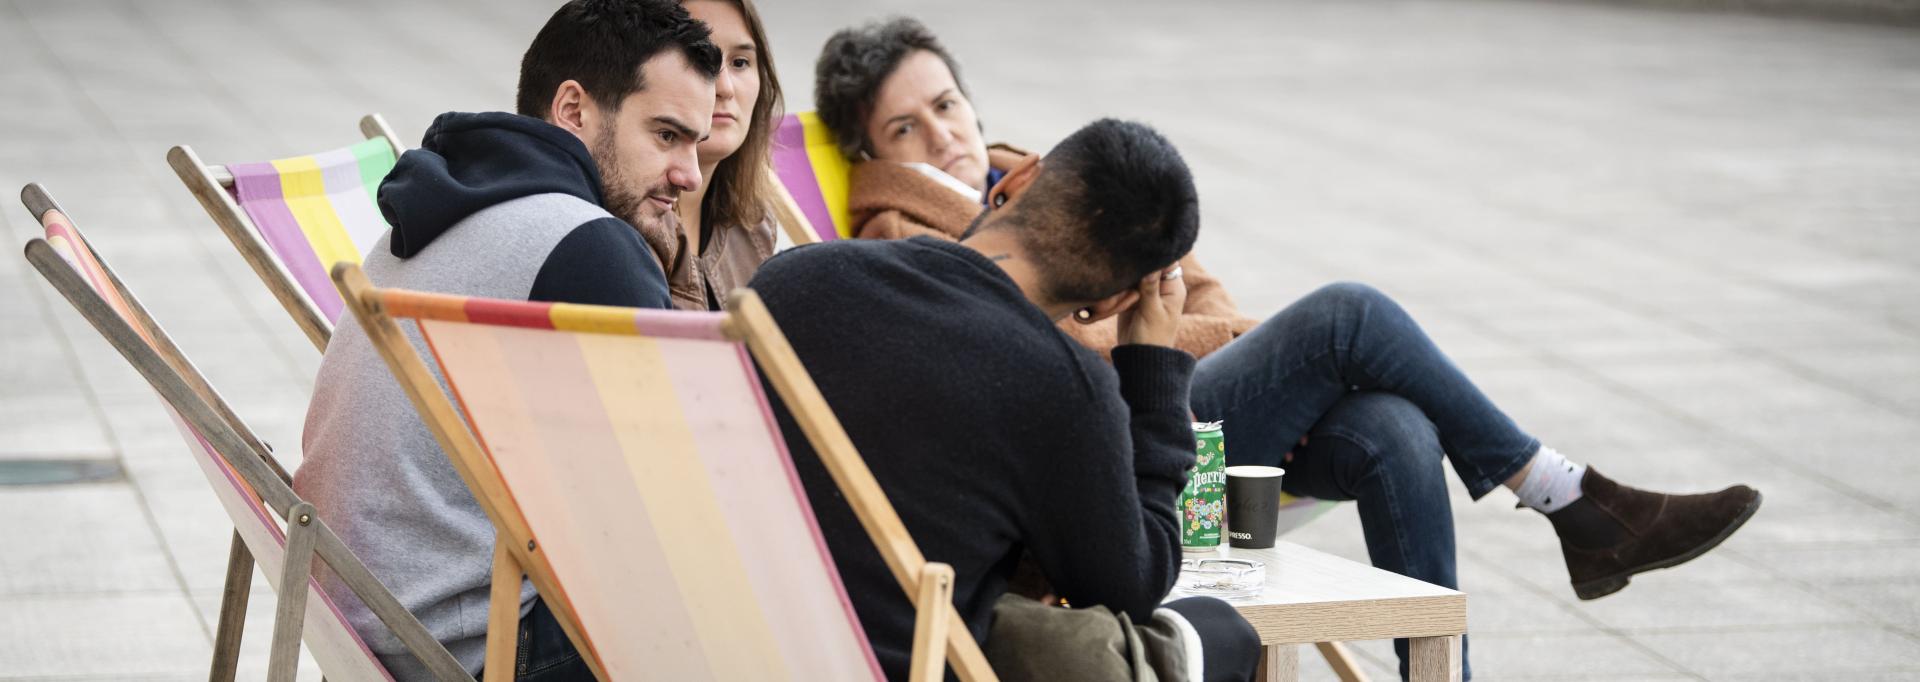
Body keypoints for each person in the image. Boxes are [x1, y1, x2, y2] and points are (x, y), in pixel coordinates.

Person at [813, 17, 1763, 680]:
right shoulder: (902, 236)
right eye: (906, 126)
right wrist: (1202, 345)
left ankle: (1455, 667)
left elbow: (1208, 311)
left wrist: (1189, 338)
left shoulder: (1060, 180)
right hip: (1125, 447)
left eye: (947, 102)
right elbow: (1091, 365)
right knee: (1345, 318)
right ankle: (1571, 498)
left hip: (1157, 419)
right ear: (872, 154)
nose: (943, 132)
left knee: (1391, 422)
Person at [750, 118, 1261, 682]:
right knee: (1221, 631)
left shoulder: (791, 282)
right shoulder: (1066, 389)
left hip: (726, 642)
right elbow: (1131, 588)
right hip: (899, 666)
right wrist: (1153, 370)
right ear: (1115, 301)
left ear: (1015, 179)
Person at [296, 1, 718, 678]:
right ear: (574, 110)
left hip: (351, 618)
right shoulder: (586, 244)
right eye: (667, 135)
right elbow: (692, 484)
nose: (690, 173)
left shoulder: (458, 204)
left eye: (696, 143)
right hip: (466, 639)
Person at [650, 0, 785, 310]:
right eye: (701, 57)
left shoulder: (755, 224)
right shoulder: (625, 221)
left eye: (740, 62)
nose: (725, 87)